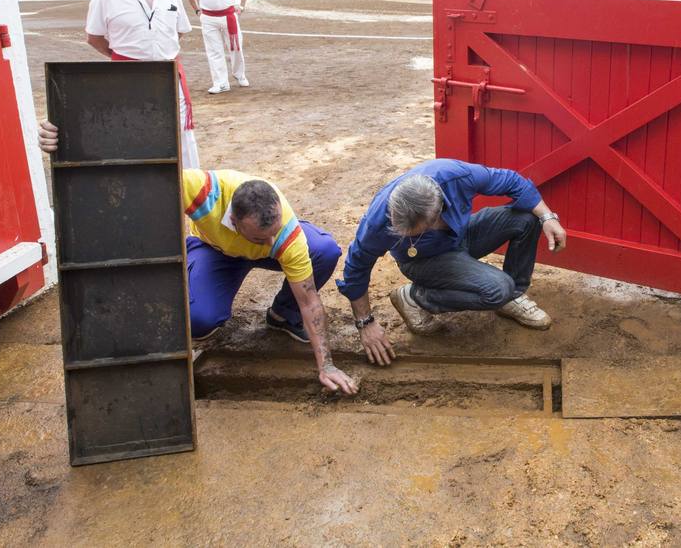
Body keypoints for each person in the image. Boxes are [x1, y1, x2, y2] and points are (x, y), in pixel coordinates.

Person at [39, 121, 356, 394]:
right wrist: (67, 144)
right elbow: (138, 172)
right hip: (217, 251)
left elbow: (311, 302)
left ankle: (281, 316)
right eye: (262, 237)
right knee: (200, 320)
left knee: (324, 251)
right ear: (233, 219)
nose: (271, 241)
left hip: (266, 251)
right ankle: (199, 265)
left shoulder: (285, 235)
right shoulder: (201, 189)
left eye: (273, 232)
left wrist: (326, 365)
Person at [336, 160, 569, 366]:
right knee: (498, 289)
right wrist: (365, 323)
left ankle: (513, 296)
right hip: (423, 260)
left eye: (416, 232)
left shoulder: (454, 176)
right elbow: (356, 268)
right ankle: (415, 298)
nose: (409, 236)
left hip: (460, 235)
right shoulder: (379, 222)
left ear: (436, 213)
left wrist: (548, 217)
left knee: (528, 218)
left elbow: (512, 181)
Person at [83, 0, 198, 167]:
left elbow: (180, 31)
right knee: (135, 130)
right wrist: (123, 58)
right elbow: (94, 38)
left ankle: (190, 187)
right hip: (128, 76)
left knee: (183, 135)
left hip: (169, 72)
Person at [186, 0, 250, 94]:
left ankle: (239, 75)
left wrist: (241, 6)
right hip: (208, 18)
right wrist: (197, 11)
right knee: (214, 51)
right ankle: (221, 83)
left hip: (229, 17)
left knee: (235, 48)